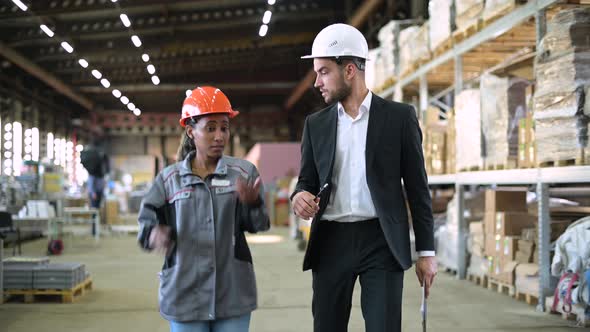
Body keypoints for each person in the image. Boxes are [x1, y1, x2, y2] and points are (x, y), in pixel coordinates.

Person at [291, 23, 437, 332]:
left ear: (349, 71)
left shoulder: (399, 118)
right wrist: (299, 196)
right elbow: (307, 181)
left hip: (381, 241)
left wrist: (426, 252)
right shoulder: (315, 125)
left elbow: (418, 189)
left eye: (323, 71)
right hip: (331, 241)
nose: (317, 82)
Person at [137, 86, 270, 332]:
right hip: (184, 294)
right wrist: (154, 233)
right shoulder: (169, 180)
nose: (219, 136)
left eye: (224, 127)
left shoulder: (243, 173)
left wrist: (253, 204)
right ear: (191, 131)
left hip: (232, 293)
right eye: (210, 128)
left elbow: (260, 224)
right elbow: (146, 225)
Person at [81, 138, 110, 235]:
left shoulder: (100, 173)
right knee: (94, 212)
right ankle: (94, 230)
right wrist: (93, 193)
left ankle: (97, 228)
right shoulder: (93, 173)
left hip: (99, 192)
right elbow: (91, 185)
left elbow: (103, 183)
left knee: (98, 211)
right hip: (95, 194)